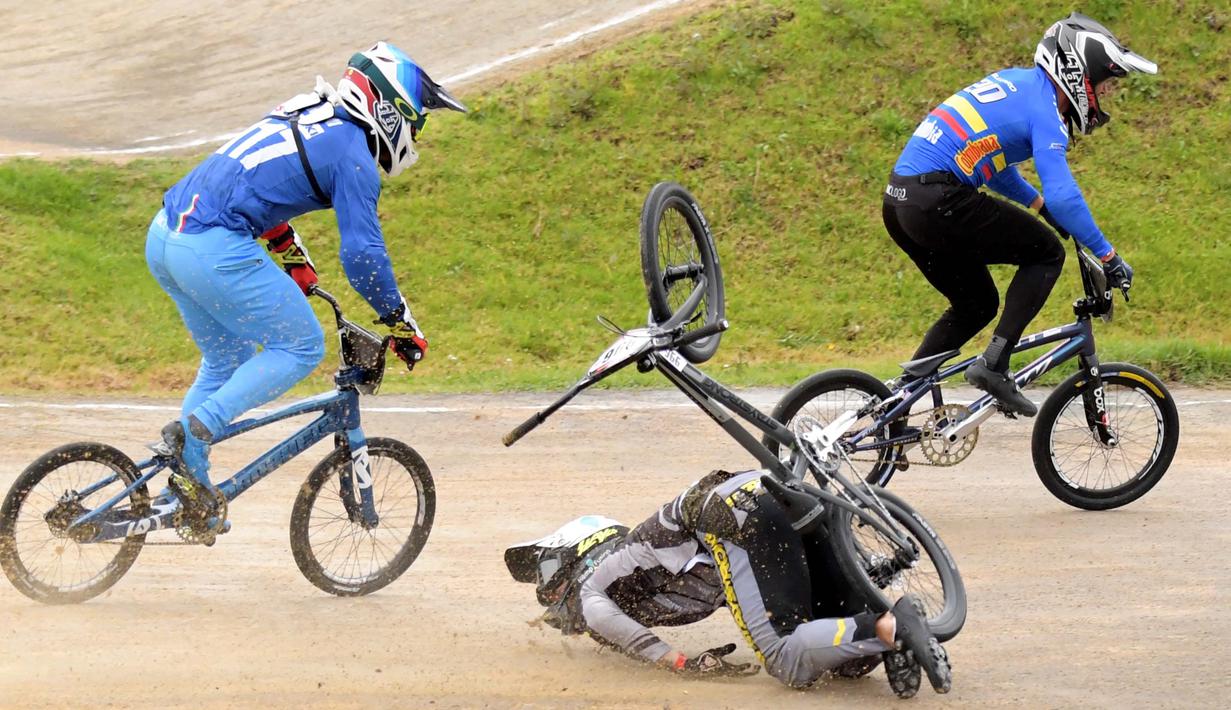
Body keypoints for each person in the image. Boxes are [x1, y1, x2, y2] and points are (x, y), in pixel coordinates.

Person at [146, 42, 466, 529]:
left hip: (165, 237)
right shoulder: (354, 156)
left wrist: (290, 253)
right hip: (210, 246)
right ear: (388, 110)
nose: (416, 134)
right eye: (415, 122)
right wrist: (401, 324)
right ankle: (203, 425)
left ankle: (189, 486)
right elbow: (363, 258)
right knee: (301, 346)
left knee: (226, 358)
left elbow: (253, 181)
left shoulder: (310, 113)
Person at [883, 13, 1156, 415]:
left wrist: (1038, 206)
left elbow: (991, 164)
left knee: (976, 304)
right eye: (1102, 83)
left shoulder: (1017, 84)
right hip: (937, 200)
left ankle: (894, 403)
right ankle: (994, 364)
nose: (1103, 93)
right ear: (1077, 74)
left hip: (901, 202)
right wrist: (1108, 255)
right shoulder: (1046, 111)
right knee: (1046, 253)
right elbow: (1064, 194)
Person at [505, 470, 952, 698]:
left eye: (548, 582)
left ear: (580, 550)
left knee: (785, 660)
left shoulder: (598, 579)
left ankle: (891, 624)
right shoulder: (646, 570)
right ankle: (895, 635)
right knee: (843, 664)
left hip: (734, 516)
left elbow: (605, 617)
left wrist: (682, 663)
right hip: (774, 497)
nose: (550, 598)